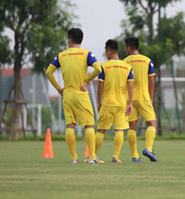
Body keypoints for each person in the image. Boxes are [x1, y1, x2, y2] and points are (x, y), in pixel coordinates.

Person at [45, 28, 102, 163]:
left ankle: (74, 158)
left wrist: (59, 88)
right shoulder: (86, 54)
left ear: (69, 40)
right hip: (81, 93)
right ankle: (92, 157)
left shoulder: (61, 55)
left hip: (67, 95)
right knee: (89, 125)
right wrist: (87, 80)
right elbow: (98, 69)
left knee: (70, 126)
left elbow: (48, 72)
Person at [95, 40, 134, 163]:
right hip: (121, 103)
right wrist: (130, 103)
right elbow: (131, 86)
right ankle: (116, 156)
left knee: (101, 130)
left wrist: (98, 101)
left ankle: (92, 156)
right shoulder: (127, 67)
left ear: (108, 51)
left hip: (107, 102)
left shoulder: (103, 66)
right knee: (119, 130)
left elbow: (100, 86)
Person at [123, 37, 158, 162]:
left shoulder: (124, 62)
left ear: (128, 47)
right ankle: (148, 148)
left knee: (132, 127)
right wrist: (150, 97)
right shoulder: (147, 61)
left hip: (129, 99)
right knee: (152, 124)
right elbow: (151, 81)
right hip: (144, 97)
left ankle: (135, 156)